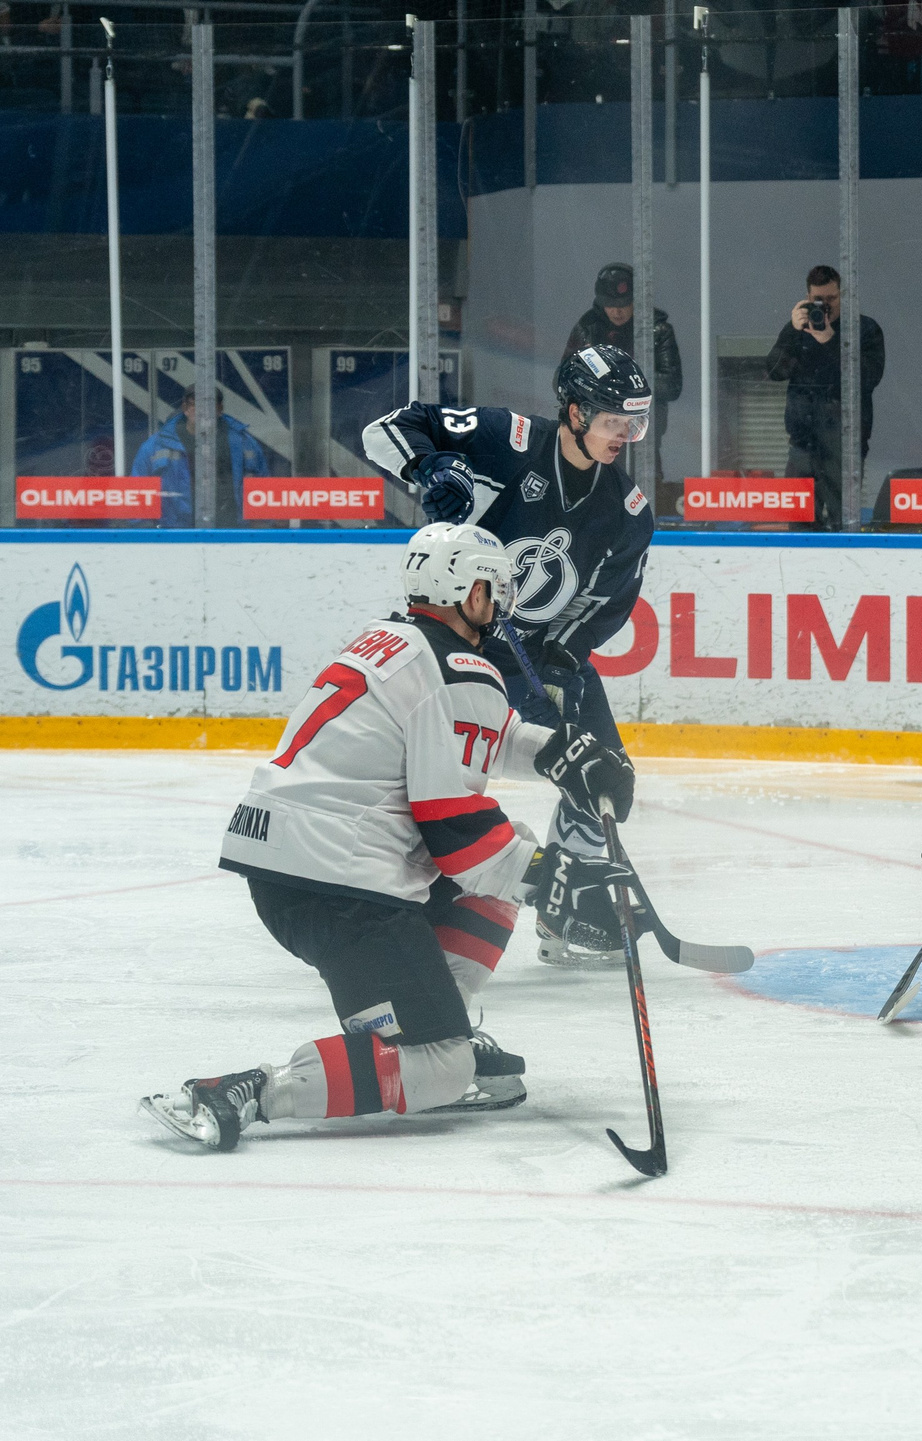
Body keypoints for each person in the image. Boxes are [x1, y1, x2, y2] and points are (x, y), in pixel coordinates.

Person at [138, 523, 639, 1152]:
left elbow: (486, 734)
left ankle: (433, 1022)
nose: (500, 602)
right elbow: (457, 833)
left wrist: (560, 754)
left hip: (302, 866)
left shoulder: (395, 642)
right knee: (443, 1068)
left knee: (515, 841)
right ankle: (248, 1090)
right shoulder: (457, 669)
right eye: (492, 587)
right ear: (466, 590)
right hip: (339, 885)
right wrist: (557, 880)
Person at [359, 346, 657, 969]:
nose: (624, 437)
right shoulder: (510, 439)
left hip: (542, 655)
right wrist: (436, 470)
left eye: (634, 424)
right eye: (613, 422)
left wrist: (563, 652)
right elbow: (385, 431)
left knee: (603, 778)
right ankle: (393, 907)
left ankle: (566, 914)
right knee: (437, 780)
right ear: (575, 412)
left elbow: (610, 602)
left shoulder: (627, 510)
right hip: (454, 642)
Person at [764, 264, 887, 529]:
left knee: (844, 523)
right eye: (818, 300)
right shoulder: (799, 330)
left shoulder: (864, 330)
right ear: (808, 298)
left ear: (843, 295)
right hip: (802, 443)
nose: (825, 306)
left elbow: (867, 379)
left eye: (831, 299)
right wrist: (791, 332)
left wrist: (831, 340)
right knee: (798, 523)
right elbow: (774, 372)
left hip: (844, 447)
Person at [561, 263, 685, 460]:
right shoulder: (588, 328)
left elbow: (671, 385)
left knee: (643, 485)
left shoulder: (658, 331)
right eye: (610, 305)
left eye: (624, 304)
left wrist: (626, 386)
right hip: (596, 434)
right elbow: (564, 379)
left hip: (643, 435)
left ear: (636, 301)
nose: (617, 312)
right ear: (601, 303)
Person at [132, 390, 276, 527]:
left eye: (210, 405)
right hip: (174, 535)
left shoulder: (243, 442)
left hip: (232, 531)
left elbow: (263, 489)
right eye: (195, 404)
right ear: (185, 408)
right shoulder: (157, 444)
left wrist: (260, 529)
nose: (203, 410)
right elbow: (138, 491)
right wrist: (146, 534)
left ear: (220, 409)